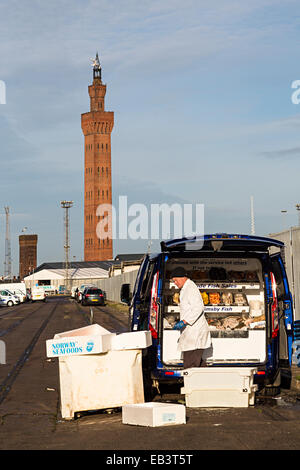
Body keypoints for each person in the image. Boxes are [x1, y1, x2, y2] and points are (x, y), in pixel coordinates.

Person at [171, 266, 211, 369]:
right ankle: (203, 383)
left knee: (190, 365)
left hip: (195, 333)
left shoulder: (191, 288)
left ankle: (193, 384)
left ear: (183, 277)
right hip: (191, 334)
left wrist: (184, 321)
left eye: (176, 280)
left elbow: (198, 308)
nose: (175, 283)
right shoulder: (185, 288)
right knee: (197, 364)